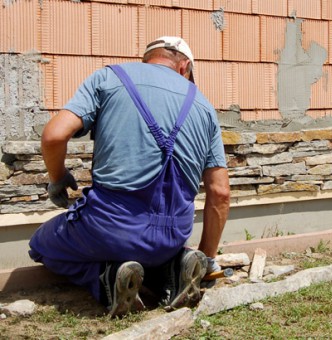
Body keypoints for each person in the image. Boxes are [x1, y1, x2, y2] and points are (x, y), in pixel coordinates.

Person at [29, 36, 230, 316]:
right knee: (158, 251)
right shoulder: (205, 106)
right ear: (184, 67)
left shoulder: (109, 78)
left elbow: (53, 136)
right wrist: (207, 259)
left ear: (148, 60)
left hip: (107, 229)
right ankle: (174, 267)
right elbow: (220, 193)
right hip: (173, 237)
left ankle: (106, 279)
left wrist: (58, 177)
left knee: (40, 244)